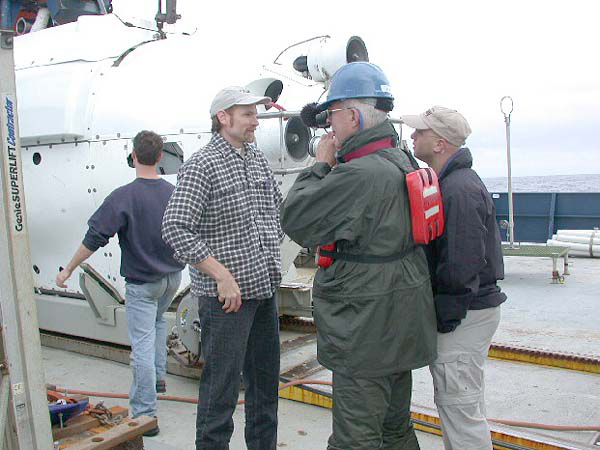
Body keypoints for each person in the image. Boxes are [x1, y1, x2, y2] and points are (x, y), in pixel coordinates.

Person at [281, 62, 437, 450]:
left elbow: (296, 219)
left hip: (366, 325)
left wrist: (320, 164)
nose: (330, 127)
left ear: (353, 116)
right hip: (400, 317)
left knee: (357, 437)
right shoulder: (400, 159)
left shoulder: (358, 174)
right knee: (395, 427)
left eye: (332, 116)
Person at [161, 86, 283, 450]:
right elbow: (174, 227)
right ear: (223, 118)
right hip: (227, 302)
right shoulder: (202, 164)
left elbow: (275, 208)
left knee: (265, 390)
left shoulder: (256, 159)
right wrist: (221, 274)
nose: (255, 121)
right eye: (247, 114)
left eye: (255, 114)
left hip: (263, 293)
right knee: (221, 394)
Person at [56, 130, 185, 436]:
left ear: (134, 156)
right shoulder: (173, 193)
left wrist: (68, 270)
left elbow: (94, 238)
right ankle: (157, 379)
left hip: (143, 284)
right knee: (156, 323)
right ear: (160, 158)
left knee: (141, 343)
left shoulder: (123, 197)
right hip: (172, 279)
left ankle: (144, 415)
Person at [401, 106, 507, 450]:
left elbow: (462, 264)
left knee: (460, 409)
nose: (414, 136)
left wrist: (446, 317)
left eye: (421, 132)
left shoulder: (458, 190)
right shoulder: (454, 182)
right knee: (464, 405)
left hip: (465, 315)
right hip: (473, 310)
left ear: (441, 142)